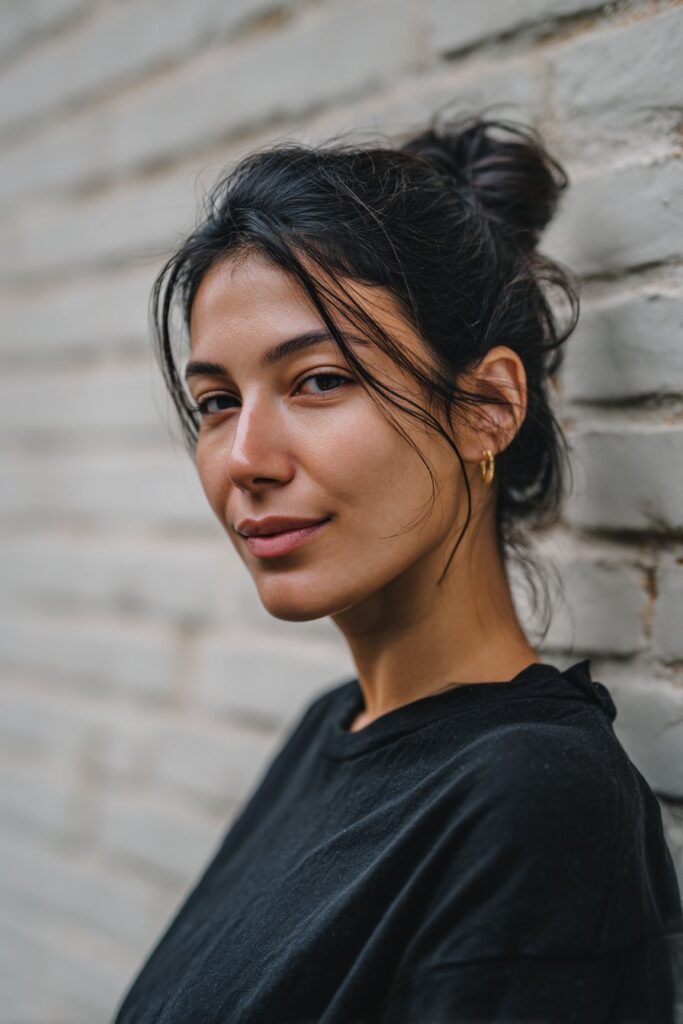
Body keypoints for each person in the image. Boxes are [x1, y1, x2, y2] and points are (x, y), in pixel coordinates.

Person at [111, 111, 682, 1023]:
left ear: (485, 408)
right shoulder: (327, 732)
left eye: (319, 380)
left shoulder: (532, 805)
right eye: (215, 402)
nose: (243, 458)